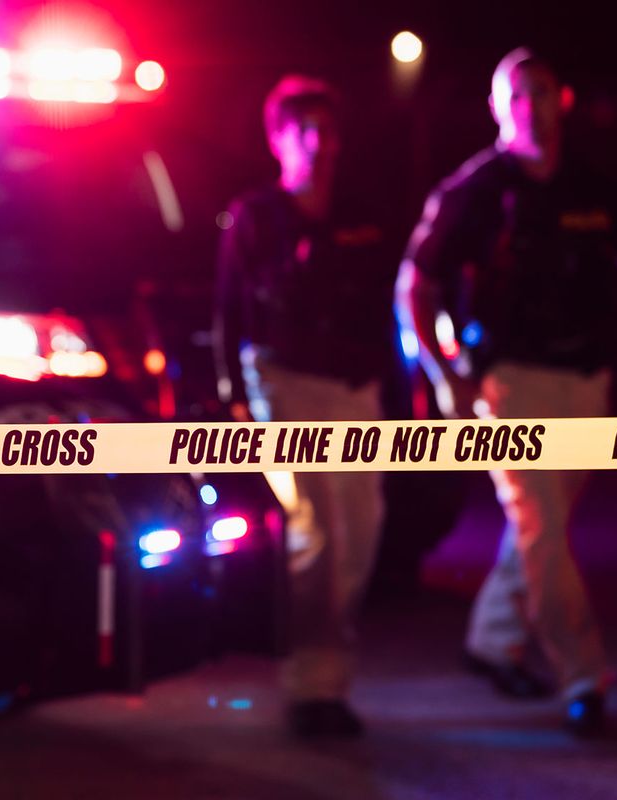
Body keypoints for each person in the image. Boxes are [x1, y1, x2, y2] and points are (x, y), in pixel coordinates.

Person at [396, 47, 617, 737]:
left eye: (540, 91)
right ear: (497, 108)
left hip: (586, 380)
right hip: (512, 380)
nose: (529, 105)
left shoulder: (593, 188)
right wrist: (446, 374)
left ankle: (489, 641)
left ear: (561, 99)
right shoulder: (475, 190)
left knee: (546, 525)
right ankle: (583, 677)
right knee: (539, 523)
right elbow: (417, 284)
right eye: (516, 94)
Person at [213, 75, 396, 737]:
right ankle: (312, 687)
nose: (316, 144)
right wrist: (235, 398)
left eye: (326, 130)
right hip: (282, 382)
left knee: (361, 534)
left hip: (354, 390)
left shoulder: (365, 216)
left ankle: (328, 667)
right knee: (314, 530)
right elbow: (230, 314)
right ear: (278, 139)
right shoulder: (255, 217)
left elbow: (390, 309)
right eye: (302, 130)